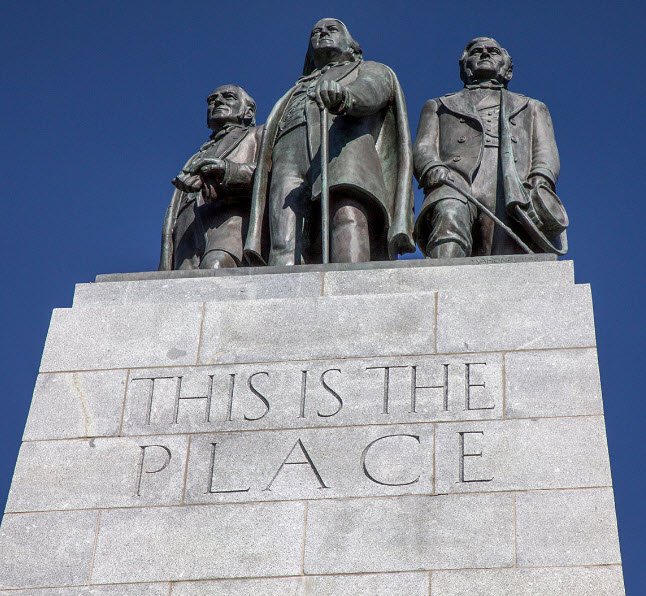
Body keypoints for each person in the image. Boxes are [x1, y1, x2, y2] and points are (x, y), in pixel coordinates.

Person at [244, 18, 415, 266]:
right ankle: (283, 288)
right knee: (284, 237)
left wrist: (346, 96)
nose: (322, 33)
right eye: (315, 32)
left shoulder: (368, 68)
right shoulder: (295, 88)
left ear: (352, 46)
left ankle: (350, 285)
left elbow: (374, 89)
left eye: (331, 29)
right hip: (287, 152)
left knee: (347, 216)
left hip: (344, 148)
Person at [413, 37, 568, 258]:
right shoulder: (438, 106)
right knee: (449, 217)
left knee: (507, 250)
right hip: (455, 179)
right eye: (476, 51)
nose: (485, 54)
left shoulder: (533, 107)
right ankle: (443, 278)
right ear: (465, 65)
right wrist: (431, 167)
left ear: (507, 68)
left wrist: (541, 178)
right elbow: (423, 146)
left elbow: (545, 152)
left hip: (510, 181)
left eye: (493, 51)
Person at [159, 84, 263, 270]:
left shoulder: (259, 134)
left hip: (230, 224)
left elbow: (273, 175)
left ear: (248, 111)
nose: (218, 102)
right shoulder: (196, 155)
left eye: (228, 96)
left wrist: (228, 171)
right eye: (211, 100)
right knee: (182, 283)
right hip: (187, 233)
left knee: (215, 266)